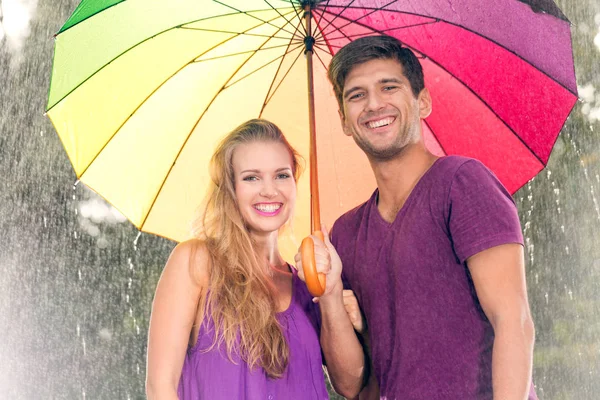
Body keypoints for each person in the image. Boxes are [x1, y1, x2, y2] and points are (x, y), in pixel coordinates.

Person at [299, 35, 537, 399]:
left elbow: (514, 322)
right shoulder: (345, 234)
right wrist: (330, 293)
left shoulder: (463, 183)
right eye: (356, 95)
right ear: (345, 121)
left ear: (422, 101)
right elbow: (351, 386)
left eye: (388, 87)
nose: (374, 104)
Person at [145, 119, 364, 399]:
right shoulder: (197, 262)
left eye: (281, 175)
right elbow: (160, 388)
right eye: (251, 177)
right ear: (230, 188)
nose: (269, 190)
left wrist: (331, 292)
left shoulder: (308, 285)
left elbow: (350, 385)